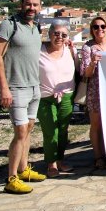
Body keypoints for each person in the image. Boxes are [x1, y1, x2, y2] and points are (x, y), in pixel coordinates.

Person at [0, 0, 47, 194]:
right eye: (28, 4)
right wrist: (4, 87)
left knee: (29, 129)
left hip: (34, 86)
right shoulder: (9, 25)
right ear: (21, 4)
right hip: (16, 87)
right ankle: (11, 177)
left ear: (40, 7)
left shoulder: (35, 27)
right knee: (20, 131)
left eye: (35, 4)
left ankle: (24, 169)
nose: (31, 8)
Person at [81, 16, 106, 169]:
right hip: (95, 90)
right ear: (91, 30)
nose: (100, 30)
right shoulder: (87, 47)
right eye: (96, 27)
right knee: (96, 125)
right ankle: (98, 157)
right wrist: (93, 62)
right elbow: (86, 73)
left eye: (103, 26)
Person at [38, 20, 76, 178]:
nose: (59, 37)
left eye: (64, 34)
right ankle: (51, 163)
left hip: (67, 95)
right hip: (45, 97)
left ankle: (60, 160)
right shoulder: (39, 50)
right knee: (50, 131)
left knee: (63, 131)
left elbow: (78, 67)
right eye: (56, 33)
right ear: (49, 34)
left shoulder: (69, 50)